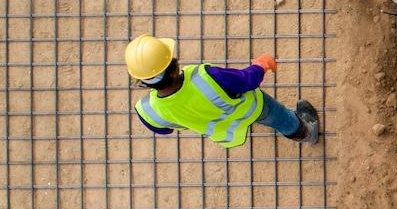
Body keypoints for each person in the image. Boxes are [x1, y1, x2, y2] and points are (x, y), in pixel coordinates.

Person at [126, 34, 320, 148]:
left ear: (142, 81)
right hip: (253, 109)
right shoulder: (205, 77)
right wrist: (262, 64)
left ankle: (299, 132)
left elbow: (165, 128)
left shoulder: (147, 110)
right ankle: (306, 132)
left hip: (224, 128)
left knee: (259, 118)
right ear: (174, 67)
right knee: (279, 117)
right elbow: (247, 81)